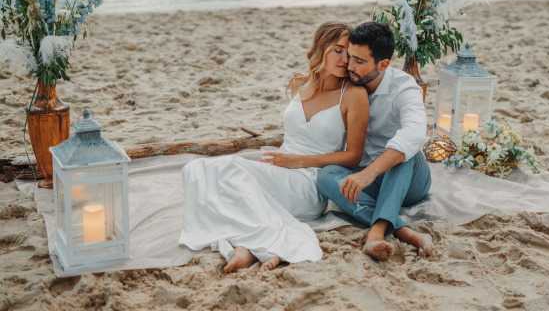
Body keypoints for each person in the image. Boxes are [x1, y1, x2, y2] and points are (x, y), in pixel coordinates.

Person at [179, 22, 369, 273]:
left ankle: (253, 246)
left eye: (349, 53)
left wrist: (298, 162)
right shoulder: (299, 84)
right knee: (196, 169)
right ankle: (244, 247)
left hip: (308, 183)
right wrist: (276, 162)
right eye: (337, 50)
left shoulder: (354, 95)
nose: (344, 60)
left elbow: (353, 156)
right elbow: (296, 135)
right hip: (279, 166)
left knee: (231, 172)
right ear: (321, 49)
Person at [316, 22, 433, 261]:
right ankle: (402, 230)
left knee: (403, 151)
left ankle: (376, 233)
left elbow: (414, 133)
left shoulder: (404, 87)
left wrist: (369, 173)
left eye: (359, 62)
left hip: (410, 180)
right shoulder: (347, 82)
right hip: (368, 178)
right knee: (326, 176)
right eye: (350, 57)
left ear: (383, 64)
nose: (350, 66)